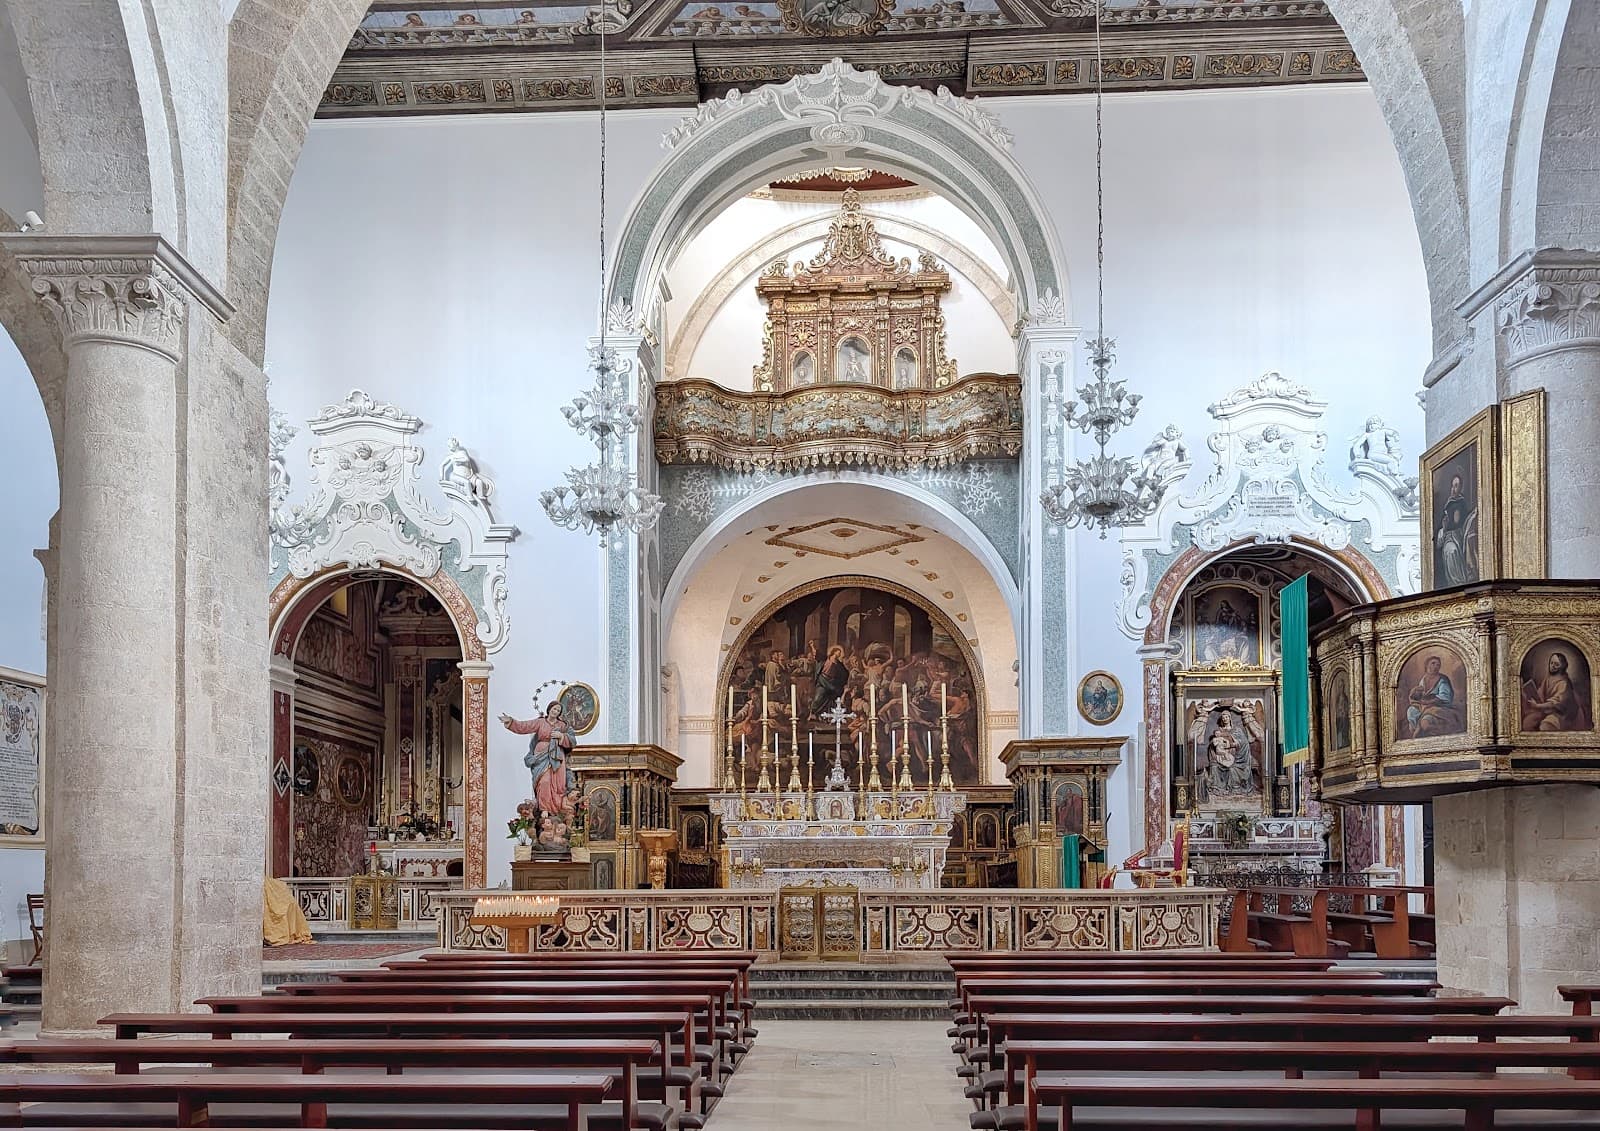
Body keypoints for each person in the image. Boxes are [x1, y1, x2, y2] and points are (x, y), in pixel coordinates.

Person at [500, 700, 577, 815]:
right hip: (541, 756)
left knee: (559, 785)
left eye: (558, 710)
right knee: (544, 781)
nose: (556, 712)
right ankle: (544, 809)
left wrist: (561, 736)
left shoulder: (562, 725)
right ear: (549, 709)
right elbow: (525, 726)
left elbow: (573, 741)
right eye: (554, 709)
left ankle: (558, 812)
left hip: (557, 756)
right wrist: (511, 722)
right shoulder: (540, 722)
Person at [1522, 651, 1589, 732]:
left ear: (1562, 667)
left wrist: (1537, 706)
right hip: (1546, 709)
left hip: (1562, 714)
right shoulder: (1548, 678)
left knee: (1546, 726)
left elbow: (1555, 703)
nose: (1552, 666)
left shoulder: (1563, 683)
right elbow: (1540, 694)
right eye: (1551, 663)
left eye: (1556, 664)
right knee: (1527, 723)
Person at [1405, 654, 1464, 738]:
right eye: (1433, 663)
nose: (1435, 666)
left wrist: (1430, 701)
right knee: (1411, 710)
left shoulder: (1443, 679)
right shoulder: (1424, 679)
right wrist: (1416, 693)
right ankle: (1418, 731)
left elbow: (1446, 697)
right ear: (1427, 665)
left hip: (1439, 707)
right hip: (1425, 706)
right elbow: (1422, 694)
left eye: (1438, 665)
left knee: (1425, 723)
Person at [1435, 474, 1477, 586]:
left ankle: (1458, 581)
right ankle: (1454, 583)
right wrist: (1444, 527)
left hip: (1458, 536)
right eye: (1452, 486)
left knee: (1451, 550)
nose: (1454, 489)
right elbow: (1444, 524)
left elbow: (1460, 521)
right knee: (1448, 550)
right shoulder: (1448, 503)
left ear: (1461, 488)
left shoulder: (1462, 503)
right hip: (1448, 536)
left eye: (1456, 486)